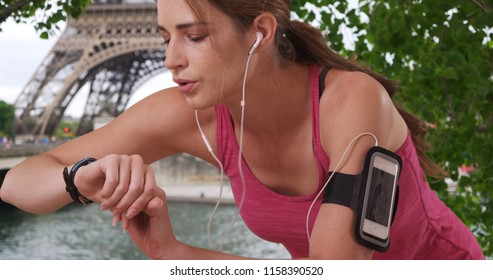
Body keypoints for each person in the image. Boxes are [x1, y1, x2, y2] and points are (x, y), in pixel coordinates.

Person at [0, 0, 485, 260]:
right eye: (165, 38)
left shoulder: (351, 100)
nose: (171, 60)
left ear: (260, 32)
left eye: (194, 36)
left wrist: (187, 258)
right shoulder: (188, 113)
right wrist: (77, 177)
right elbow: (16, 182)